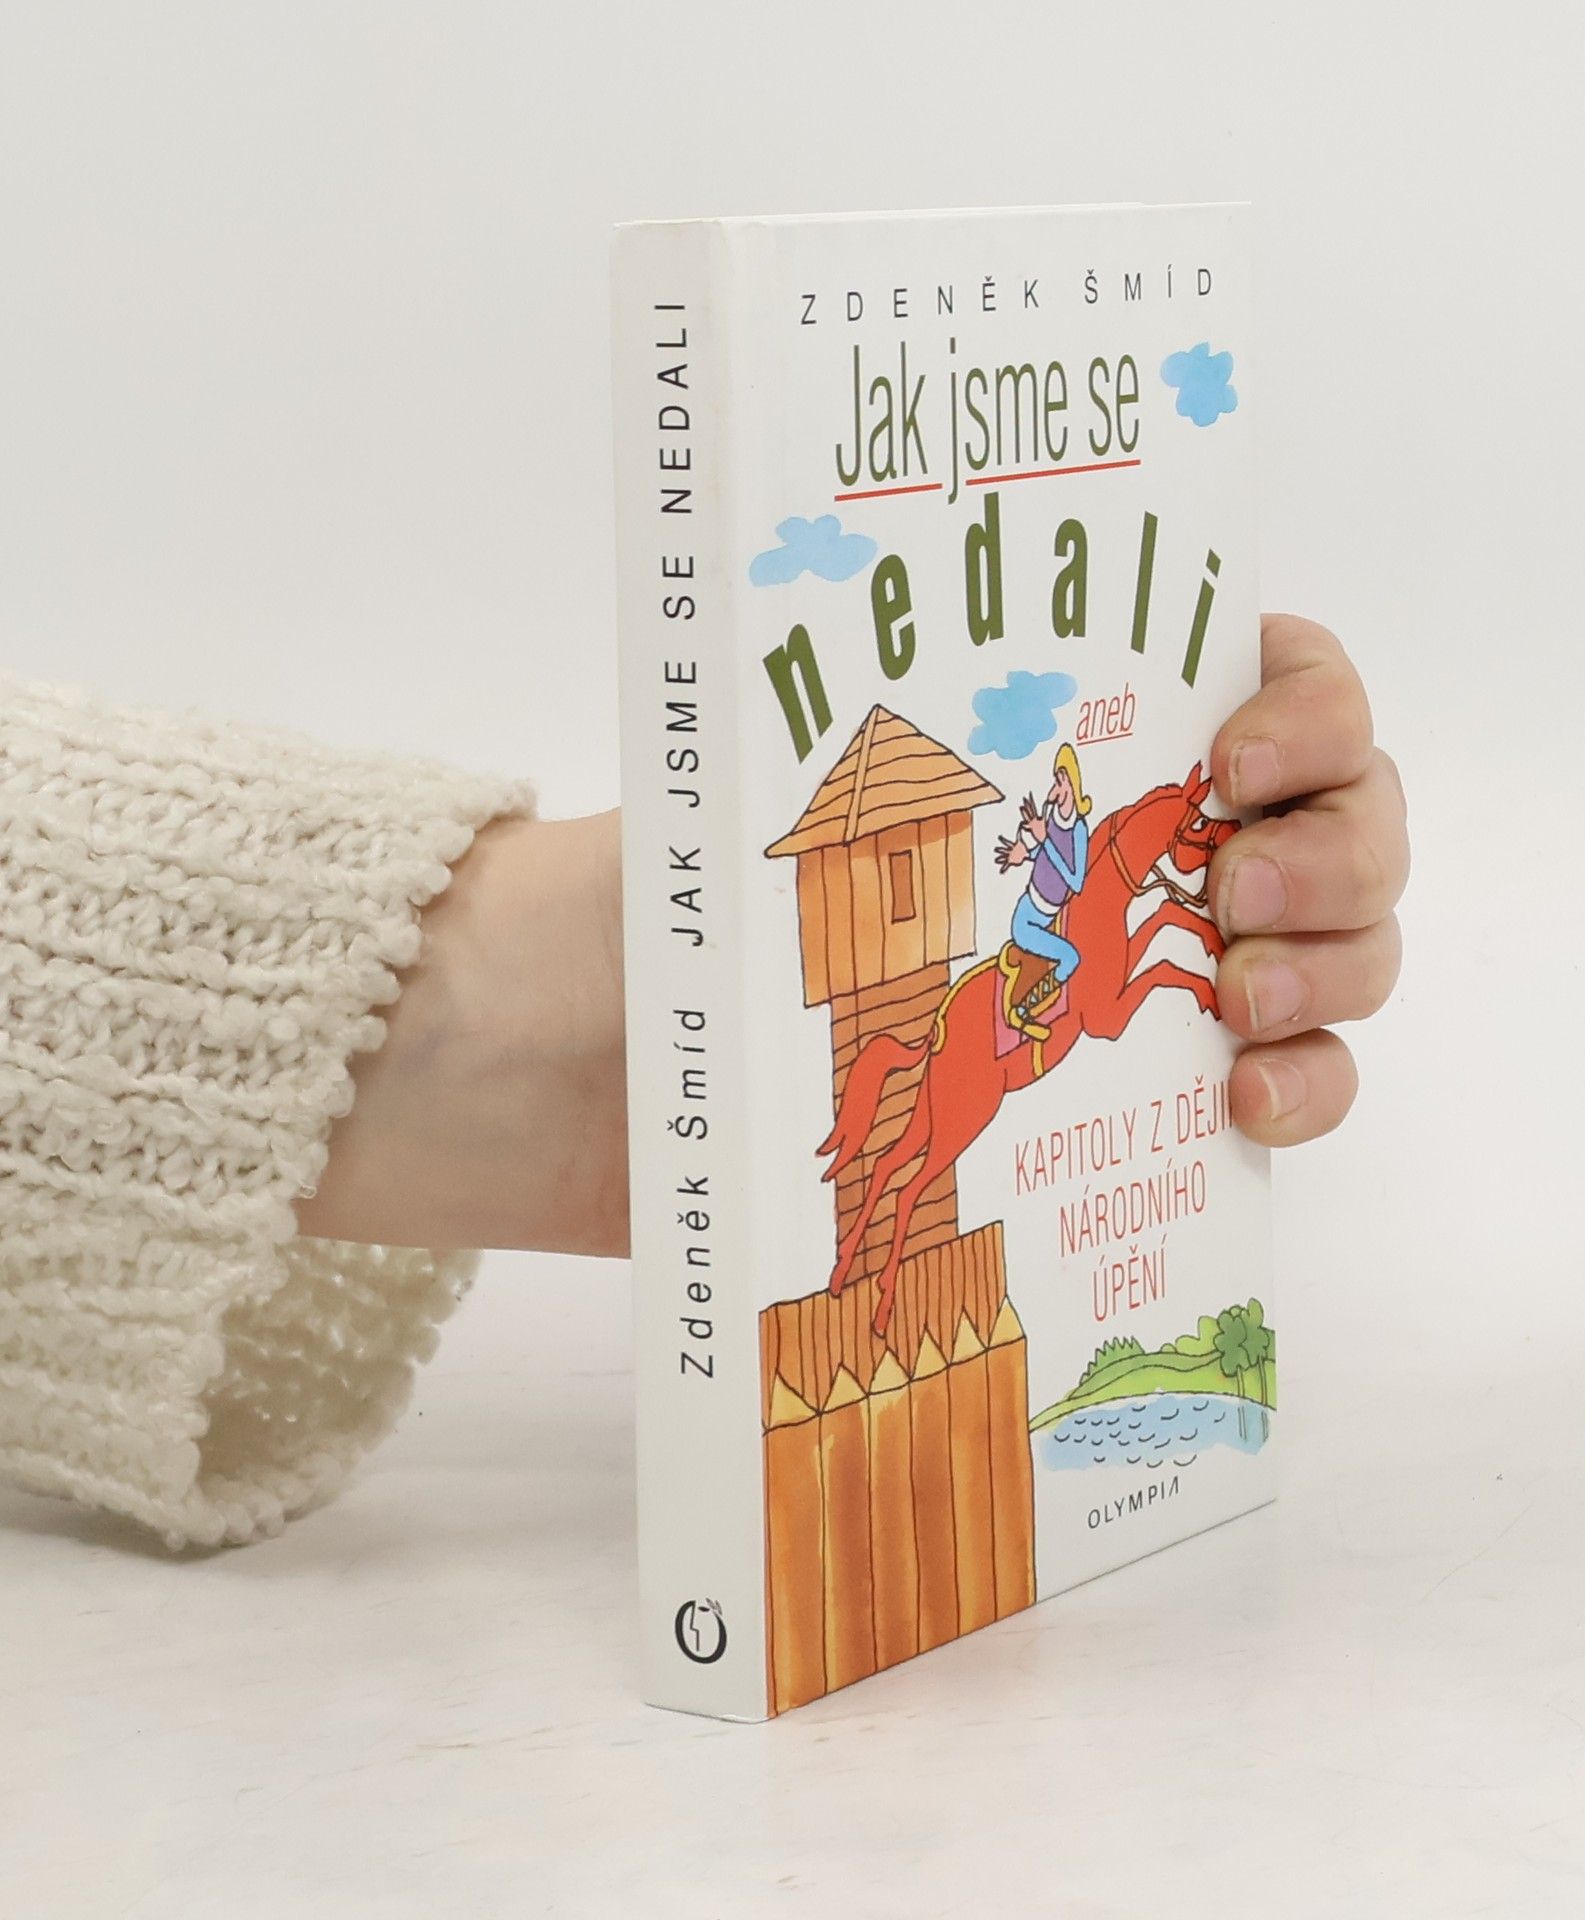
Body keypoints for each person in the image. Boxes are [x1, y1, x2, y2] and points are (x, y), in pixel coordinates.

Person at [0, 614, 1407, 1545]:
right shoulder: (1051, 859)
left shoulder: (1074, 837)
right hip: (1036, 950)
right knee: (1052, 942)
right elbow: (1055, 877)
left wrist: (574, 980)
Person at [995, 741, 1093, 990]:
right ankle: (1026, 1006)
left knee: (1072, 959)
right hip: (1028, 911)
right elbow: (1045, 855)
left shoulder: (1078, 828)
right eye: (1056, 781)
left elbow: (1076, 882)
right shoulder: (1053, 816)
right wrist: (1024, 854)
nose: (1055, 788)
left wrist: (1044, 840)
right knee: (1068, 957)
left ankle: (1036, 1001)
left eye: (1060, 781)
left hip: (1049, 910)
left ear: (1071, 785)